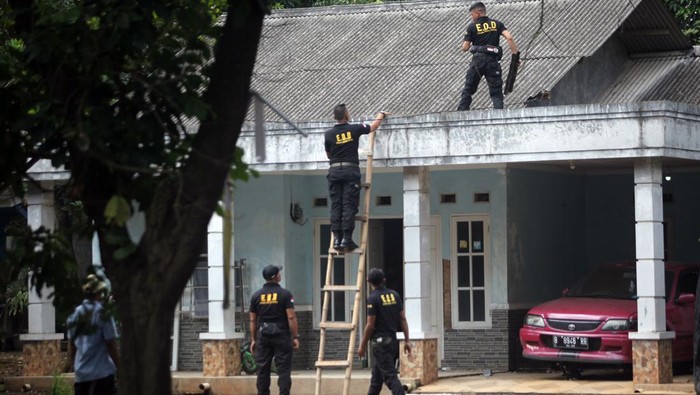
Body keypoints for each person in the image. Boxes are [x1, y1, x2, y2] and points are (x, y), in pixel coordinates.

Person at [324, 104, 388, 251]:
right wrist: (381, 114)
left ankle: (337, 239)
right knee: (349, 205)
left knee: (336, 205)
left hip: (334, 171)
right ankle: (346, 238)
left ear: (334, 117)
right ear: (347, 115)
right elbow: (373, 127)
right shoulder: (354, 129)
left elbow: (329, 155)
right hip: (350, 171)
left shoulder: (328, 134)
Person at [358, 268, 412, 395]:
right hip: (392, 342)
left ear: (368, 281)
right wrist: (407, 340)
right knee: (376, 381)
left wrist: (362, 345)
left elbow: (370, 325)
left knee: (390, 377)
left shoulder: (373, 298)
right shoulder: (395, 295)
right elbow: (403, 319)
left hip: (380, 344)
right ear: (384, 280)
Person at [457, 1, 519, 111]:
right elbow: (509, 38)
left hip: (478, 61)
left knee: (468, 89)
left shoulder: (472, 27)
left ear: (477, 13)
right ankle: (499, 115)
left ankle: (460, 114)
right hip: (493, 62)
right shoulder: (497, 24)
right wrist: (515, 57)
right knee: (496, 93)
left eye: (472, 15)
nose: (472, 17)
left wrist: (469, 42)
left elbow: (465, 48)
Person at [249, 265, 300, 395]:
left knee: (262, 369)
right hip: (281, 334)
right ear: (276, 277)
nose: (280, 275)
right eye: (279, 273)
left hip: (263, 335)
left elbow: (253, 320)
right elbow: (291, 316)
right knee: (283, 370)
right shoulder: (285, 294)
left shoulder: (256, 296)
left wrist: (254, 339)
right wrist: (295, 337)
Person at [66, 274, 120, 395]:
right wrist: (119, 368)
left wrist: (73, 366)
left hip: (81, 376)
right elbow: (111, 344)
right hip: (102, 374)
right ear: (99, 292)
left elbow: (72, 346)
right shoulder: (103, 314)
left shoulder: (74, 316)